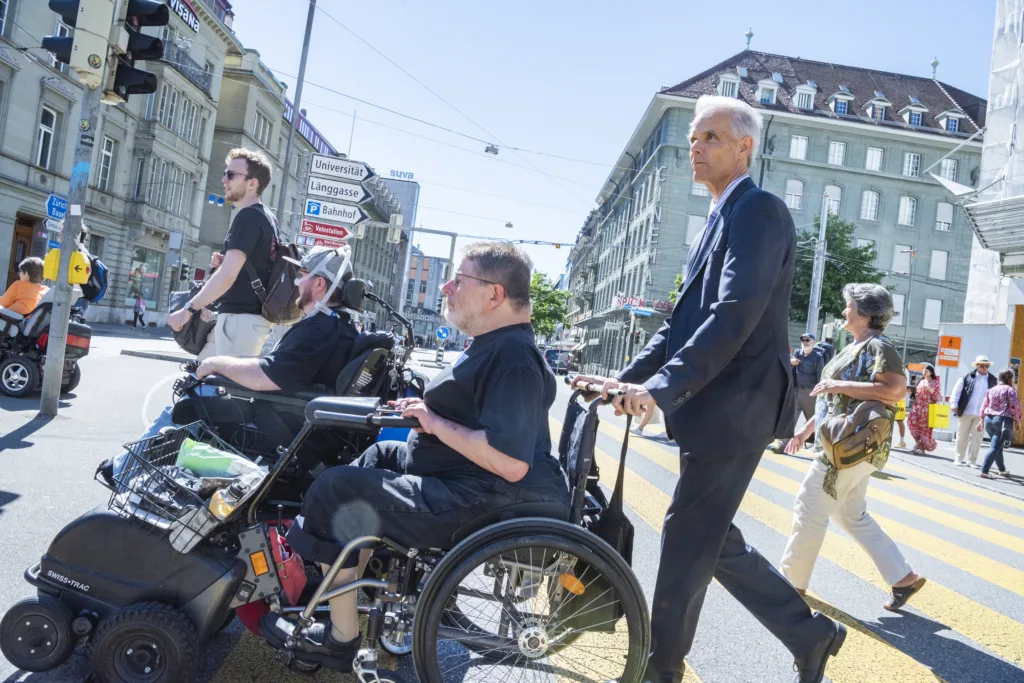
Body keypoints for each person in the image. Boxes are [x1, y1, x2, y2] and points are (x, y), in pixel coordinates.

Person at [572, 95, 844, 683]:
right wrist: (628, 380)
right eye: (694, 138)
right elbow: (679, 324)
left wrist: (662, 390)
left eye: (711, 138)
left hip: (736, 408)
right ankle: (811, 634)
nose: (696, 147)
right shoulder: (718, 217)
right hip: (717, 407)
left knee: (688, 536)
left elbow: (734, 313)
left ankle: (660, 669)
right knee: (711, 536)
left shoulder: (761, 211)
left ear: (745, 147)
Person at [261, 242, 570, 670]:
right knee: (377, 456)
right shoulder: (497, 344)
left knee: (336, 489)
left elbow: (509, 461)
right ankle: (345, 588)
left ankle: (341, 637)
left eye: (459, 280)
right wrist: (420, 415)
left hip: (486, 495)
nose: (447, 287)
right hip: (468, 479)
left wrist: (435, 422)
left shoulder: (513, 357)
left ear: (495, 294)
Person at [781, 284, 926, 613]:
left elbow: (895, 390)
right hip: (847, 444)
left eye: (849, 306)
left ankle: (791, 583)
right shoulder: (857, 345)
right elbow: (832, 400)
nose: (844, 311)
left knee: (809, 509)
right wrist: (805, 430)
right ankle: (903, 577)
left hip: (847, 449)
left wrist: (839, 383)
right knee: (851, 514)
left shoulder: (879, 346)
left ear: (864, 313)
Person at [167, 148, 276, 359]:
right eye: (225, 173)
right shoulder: (266, 218)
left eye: (231, 175)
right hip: (242, 322)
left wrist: (188, 310)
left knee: (211, 387)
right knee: (199, 379)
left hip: (240, 323)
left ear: (252, 183)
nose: (224, 179)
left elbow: (227, 277)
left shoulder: (248, 218)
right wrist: (224, 264)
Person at [770, 333, 824, 452]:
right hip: (796, 390)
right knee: (790, 418)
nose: (805, 341)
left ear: (813, 342)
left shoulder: (818, 357)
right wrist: (791, 361)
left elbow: (821, 375)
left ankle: (822, 449)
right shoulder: (797, 353)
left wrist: (820, 393)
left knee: (814, 420)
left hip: (810, 393)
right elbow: (788, 368)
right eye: (803, 339)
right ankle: (781, 446)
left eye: (808, 340)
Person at [950, 355, 997, 467]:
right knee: (962, 436)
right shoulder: (966, 377)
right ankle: (958, 458)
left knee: (977, 438)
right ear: (977, 366)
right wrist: (954, 405)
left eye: (987, 366)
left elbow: (995, 397)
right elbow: (956, 393)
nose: (985, 368)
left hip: (982, 414)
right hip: (966, 411)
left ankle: (972, 460)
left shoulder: (993, 380)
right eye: (982, 365)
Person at [978, 369, 1020, 480]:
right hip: (1002, 420)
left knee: (998, 446)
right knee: (995, 446)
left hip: (989, 420)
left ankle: (1002, 470)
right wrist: (1017, 421)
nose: (1014, 379)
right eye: (1013, 377)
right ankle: (984, 471)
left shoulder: (991, 390)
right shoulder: (1011, 390)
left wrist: (981, 419)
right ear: (1009, 378)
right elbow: (1014, 407)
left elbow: (984, 406)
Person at [0, 258, 48, 334]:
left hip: (10, 322)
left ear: (26, 274)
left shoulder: (19, 285)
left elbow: (2, 304)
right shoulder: (46, 290)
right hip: (29, 326)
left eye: (21, 273)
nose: (19, 276)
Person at [907, 364, 941, 454]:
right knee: (911, 422)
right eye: (923, 371)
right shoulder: (921, 381)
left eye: (926, 371)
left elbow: (937, 397)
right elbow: (915, 394)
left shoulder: (935, 382)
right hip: (917, 407)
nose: (924, 372)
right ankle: (918, 444)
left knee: (924, 429)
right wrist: (911, 392)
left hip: (927, 409)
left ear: (931, 373)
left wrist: (929, 389)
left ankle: (919, 447)